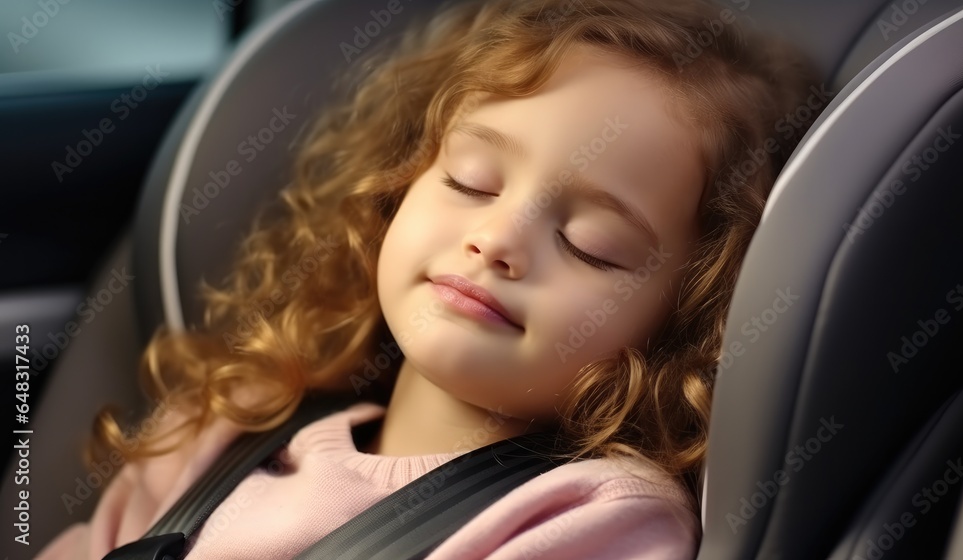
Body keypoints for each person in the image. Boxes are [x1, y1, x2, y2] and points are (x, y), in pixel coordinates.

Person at [37, 0, 820, 558]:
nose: (498, 239)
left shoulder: (593, 519)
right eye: (473, 181)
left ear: (685, 319)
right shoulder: (229, 424)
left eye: (592, 245)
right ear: (397, 186)